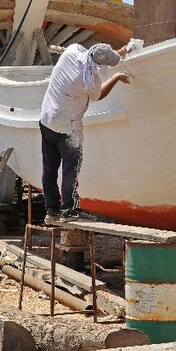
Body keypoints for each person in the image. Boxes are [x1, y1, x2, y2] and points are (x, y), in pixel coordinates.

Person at [40, 42, 130, 221]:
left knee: (50, 168)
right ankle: (69, 210)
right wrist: (117, 77)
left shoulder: (72, 51)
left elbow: (92, 56)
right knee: (71, 168)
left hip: (47, 120)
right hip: (68, 128)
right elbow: (98, 95)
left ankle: (51, 210)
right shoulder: (89, 80)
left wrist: (117, 53)